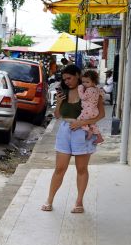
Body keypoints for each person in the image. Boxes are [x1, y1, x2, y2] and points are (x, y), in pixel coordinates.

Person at [41, 65, 105, 214]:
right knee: (59, 168)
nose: (67, 81)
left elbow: (101, 114)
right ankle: (49, 200)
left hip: (83, 132)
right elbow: (57, 116)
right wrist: (58, 103)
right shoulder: (63, 92)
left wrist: (82, 123)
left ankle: (79, 202)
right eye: (64, 79)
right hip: (65, 130)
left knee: (81, 169)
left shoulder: (91, 91)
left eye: (69, 78)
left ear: (78, 75)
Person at [78, 70, 104, 145]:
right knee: (92, 123)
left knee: (79, 121)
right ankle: (99, 137)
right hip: (94, 111)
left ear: (93, 82)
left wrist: (80, 89)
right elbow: (102, 95)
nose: (84, 84)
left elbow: (82, 97)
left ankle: (89, 131)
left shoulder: (89, 90)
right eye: (83, 82)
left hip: (88, 111)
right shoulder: (97, 89)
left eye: (87, 82)